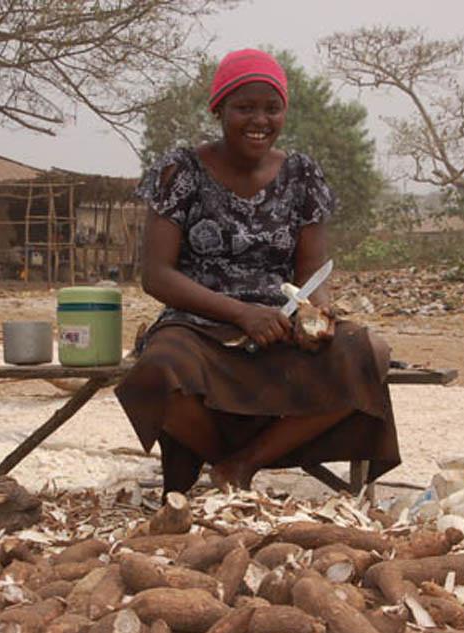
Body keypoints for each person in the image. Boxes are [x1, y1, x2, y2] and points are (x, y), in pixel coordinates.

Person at [115, 49, 400, 492]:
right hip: (199, 324)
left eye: (272, 108)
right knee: (157, 373)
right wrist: (240, 314)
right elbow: (157, 275)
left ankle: (241, 464)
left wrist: (313, 317)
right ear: (219, 110)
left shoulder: (302, 174)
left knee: (368, 354)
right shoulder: (181, 170)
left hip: (278, 324)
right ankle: (217, 453)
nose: (259, 120)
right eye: (244, 107)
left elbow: (312, 272)